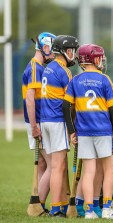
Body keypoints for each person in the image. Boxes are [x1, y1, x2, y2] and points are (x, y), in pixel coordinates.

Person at [63, 44, 113, 219]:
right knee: (109, 169)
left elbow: (66, 106)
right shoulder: (104, 79)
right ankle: (106, 209)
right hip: (103, 130)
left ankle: (89, 211)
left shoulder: (75, 80)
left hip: (84, 132)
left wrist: (71, 131)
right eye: (100, 57)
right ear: (94, 59)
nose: (101, 60)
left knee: (89, 171)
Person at [40, 35, 79, 217]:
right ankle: (56, 209)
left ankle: (61, 204)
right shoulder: (64, 72)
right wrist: (73, 128)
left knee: (59, 165)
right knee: (58, 167)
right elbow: (69, 103)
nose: (74, 54)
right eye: (72, 51)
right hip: (57, 122)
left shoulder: (48, 68)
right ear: (66, 51)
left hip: (46, 121)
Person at [22, 32, 56, 212]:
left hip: (37, 121)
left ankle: (39, 202)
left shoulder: (38, 67)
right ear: (45, 48)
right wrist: (35, 127)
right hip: (37, 122)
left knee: (43, 163)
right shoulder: (35, 68)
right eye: (53, 50)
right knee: (54, 164)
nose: (55, 54)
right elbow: (30, 100)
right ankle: (39, 204)